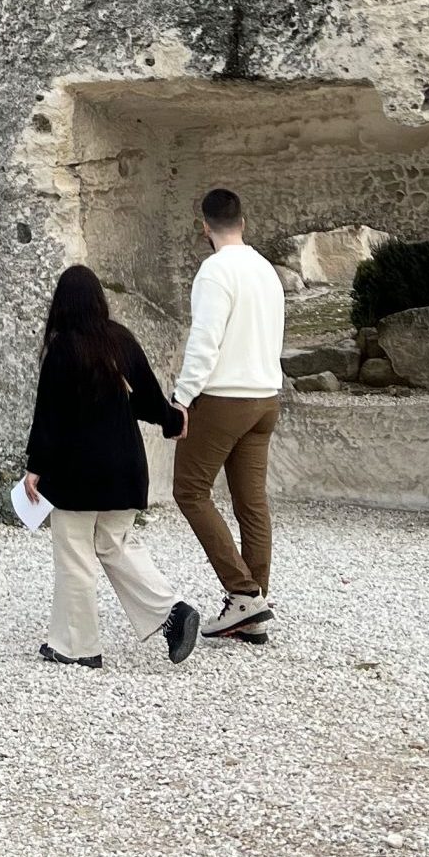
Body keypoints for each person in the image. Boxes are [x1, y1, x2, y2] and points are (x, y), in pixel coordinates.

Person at [22, 264, 200, 670]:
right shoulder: (121, 341)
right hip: (125, 469)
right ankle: (172, 612)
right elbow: (150, 398)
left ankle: (78, 646)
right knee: (115, 544)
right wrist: (173, 422)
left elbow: (49, 417)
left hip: (76, 475)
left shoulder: (62, 350)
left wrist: (35, 467)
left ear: (61, 305)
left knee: (75, 556)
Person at [171, 187, 286, 644]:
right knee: (251, 504)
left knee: (189, 490)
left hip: (223, 400)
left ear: (205, 226)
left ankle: (243, 594)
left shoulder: (215, 271)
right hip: (266, 397)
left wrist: (182, 398)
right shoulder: (266, 270)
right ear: (243, 222)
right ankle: (252, 609)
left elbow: (205, 342)